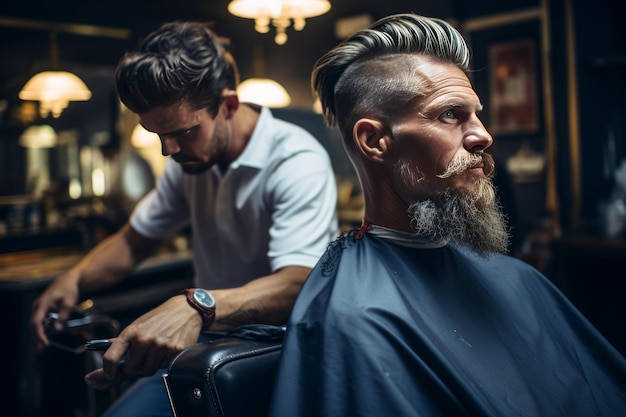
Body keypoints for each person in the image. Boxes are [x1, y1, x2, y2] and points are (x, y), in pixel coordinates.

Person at [269, 13, 626, 417]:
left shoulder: (517, 279)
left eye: (476, 114)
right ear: (374, 141)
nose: (483, 135)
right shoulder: (359, 318)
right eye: (449, 115)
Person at [29, 21, 338, 417]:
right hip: (209, 346)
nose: (167, 150)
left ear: (227, 105)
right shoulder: (188, 161)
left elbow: (299, 281)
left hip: (278, 351)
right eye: (156, 134)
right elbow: (134, 241)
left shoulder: (295, 160)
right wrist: (74, 278)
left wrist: (196, 307)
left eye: (182, 132)